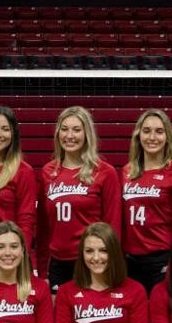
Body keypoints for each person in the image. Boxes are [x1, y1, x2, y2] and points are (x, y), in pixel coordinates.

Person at [40, 105, 122, 290]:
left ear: (87, 135)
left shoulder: (104, 172)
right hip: (58, 264)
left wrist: (110, 264)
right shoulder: (47, 172)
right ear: (57, 133)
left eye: (77, 130)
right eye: (65, 129)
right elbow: (44, 227)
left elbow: (113, 224)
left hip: (91, 261)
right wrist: (42, 270)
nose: (70, 136)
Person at [119, 109, 172, 289]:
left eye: (159, 132)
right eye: (146, 131)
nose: (152, 137)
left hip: (161, 259)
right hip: (129, 260)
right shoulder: (127, 171)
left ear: (167, 136)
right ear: (138, 135)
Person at [0, 105, 43, 272]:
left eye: (5, 129)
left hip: (7, 254)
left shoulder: (23, 171)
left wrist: (21, 256)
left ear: (13, 134)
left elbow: (26, 221)